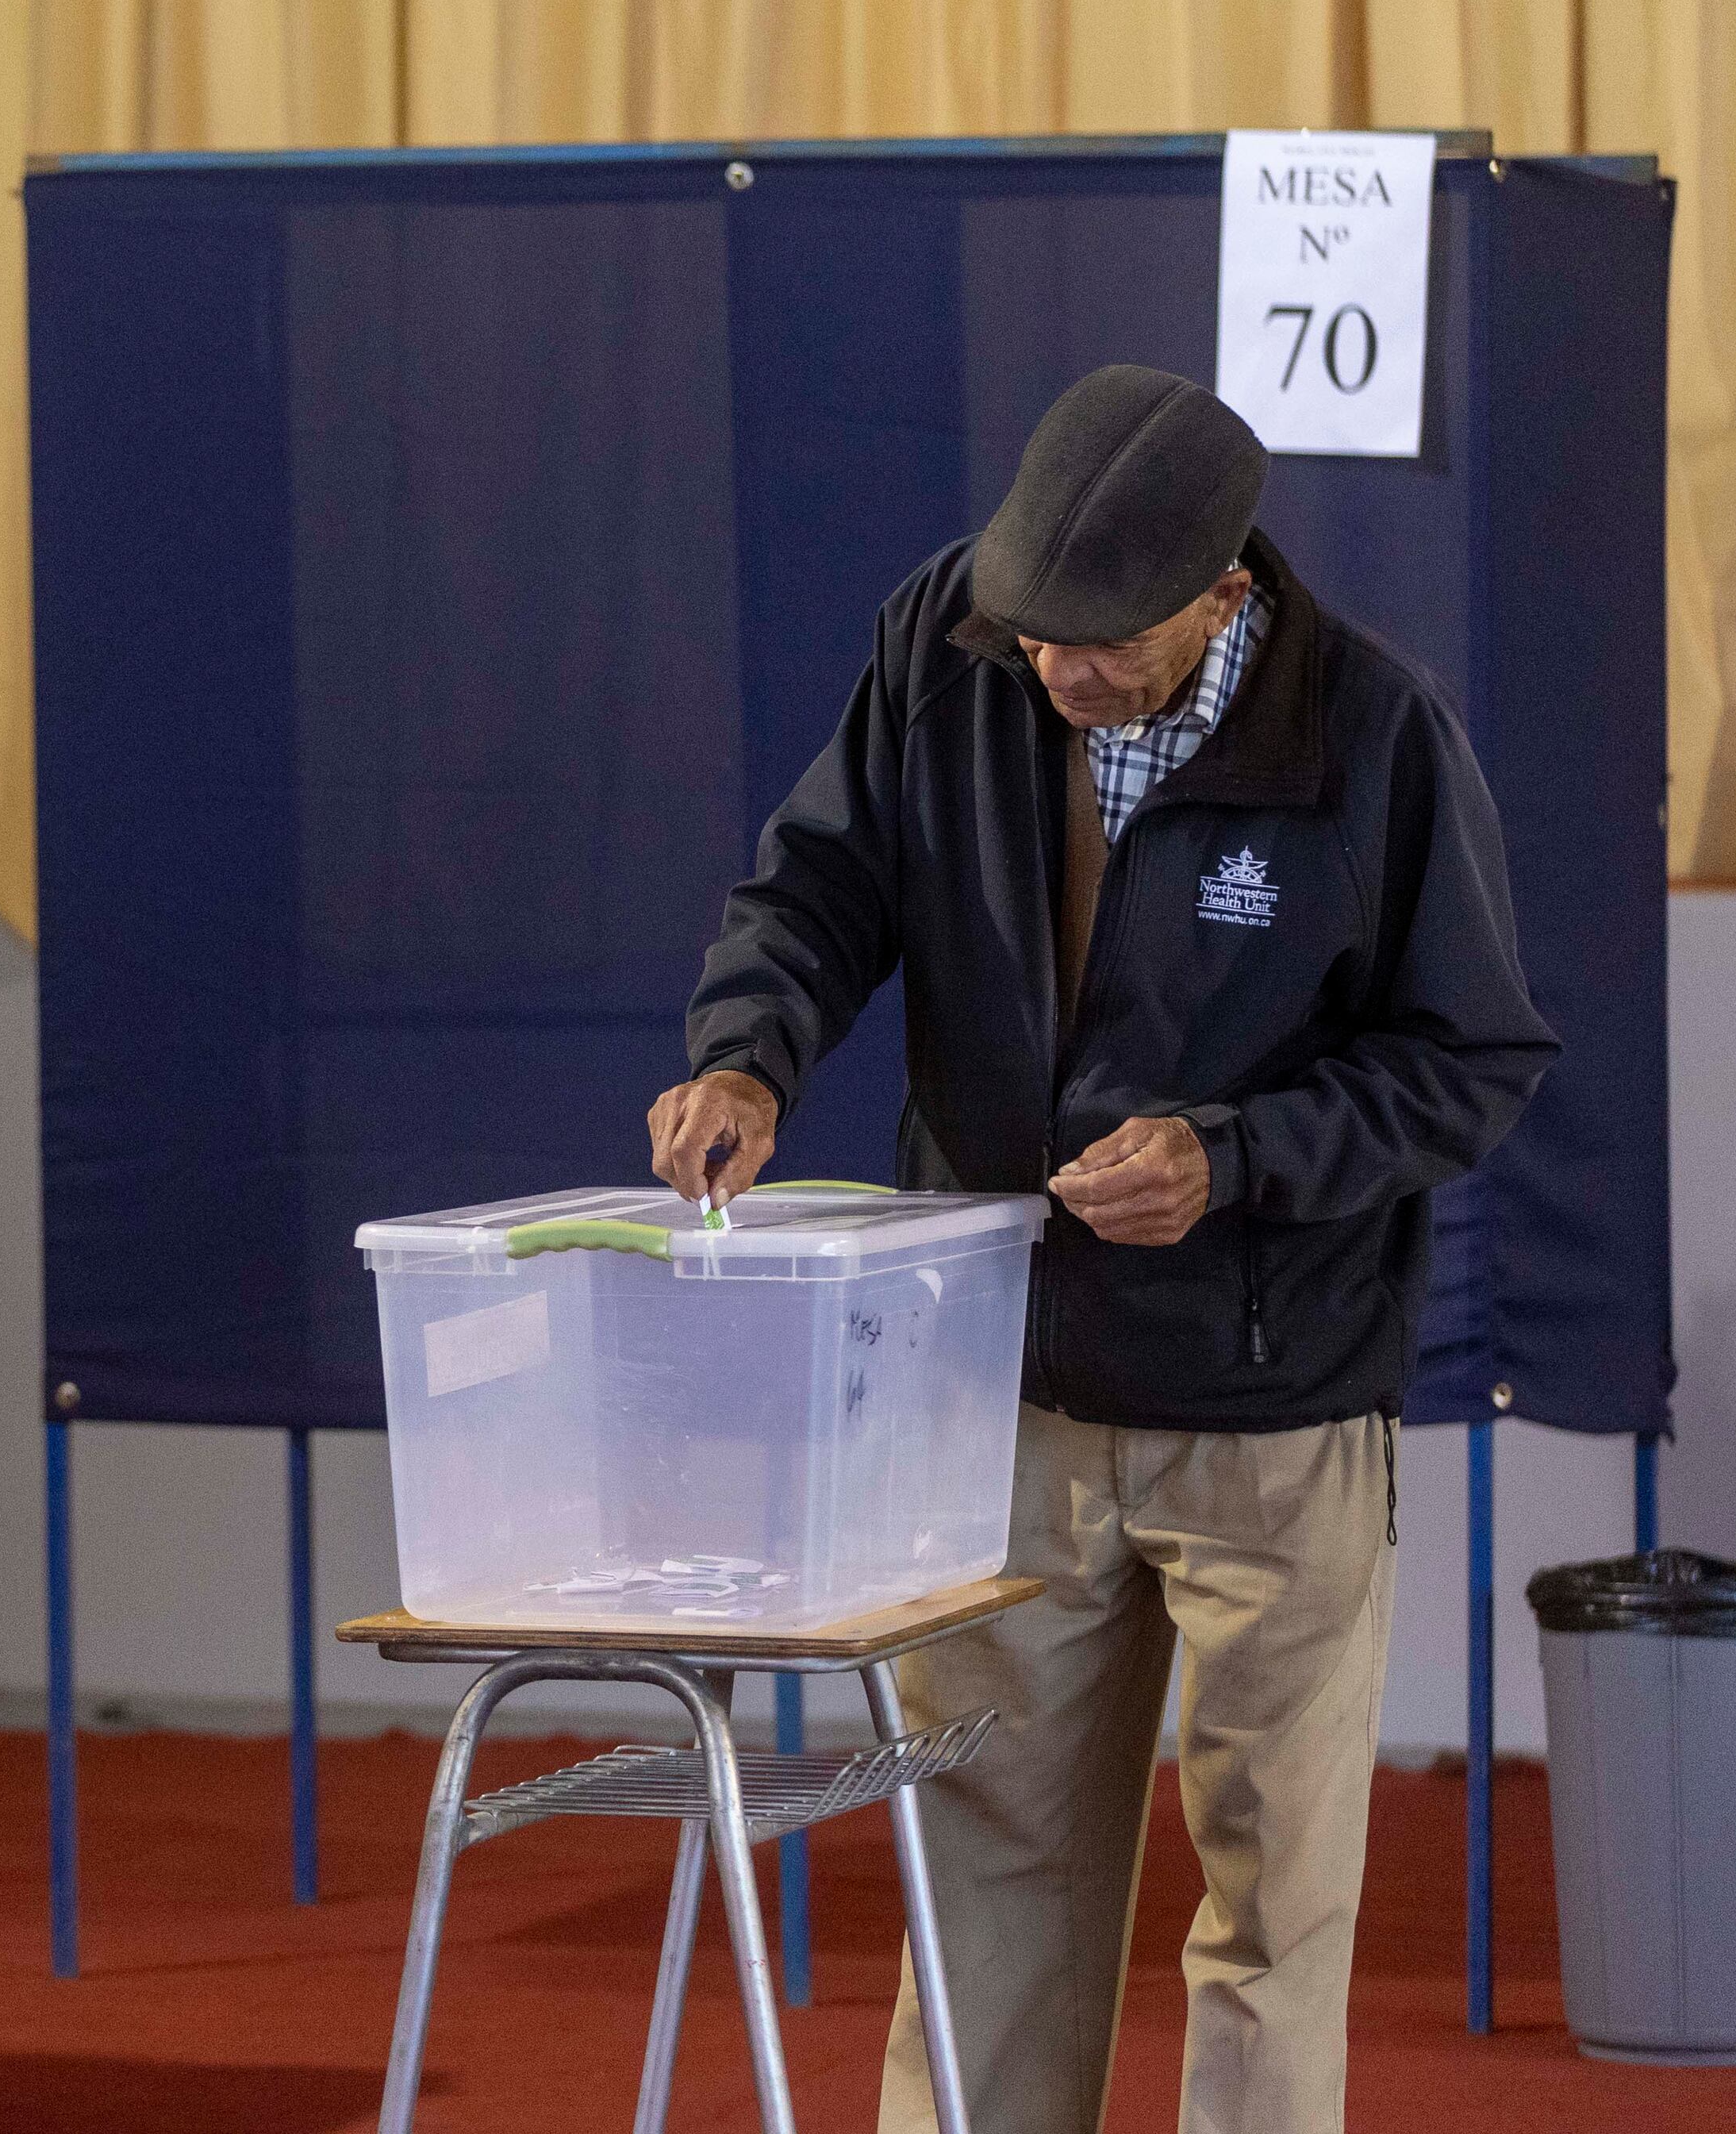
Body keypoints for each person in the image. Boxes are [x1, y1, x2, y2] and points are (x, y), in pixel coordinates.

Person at [646, 363, 1558, 2134]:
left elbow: (1471, 1063)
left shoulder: (1374, 730)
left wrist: (1232, 1160)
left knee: (1270, 1903)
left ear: (1226, 595)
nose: (1056, 669)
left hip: (1272, 1410)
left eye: (1102, 643)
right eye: (1031, 627)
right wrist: (746, 1048)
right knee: (981, 1866)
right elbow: (817, 883)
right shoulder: (949, 638)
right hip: (1001, 1386)